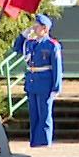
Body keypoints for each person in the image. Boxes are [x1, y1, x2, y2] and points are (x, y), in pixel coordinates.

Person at [13, 13, 63, 148]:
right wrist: (23, 36)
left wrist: (56, 88)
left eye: (37, 27)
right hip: (32, 83)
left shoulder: (52, 45)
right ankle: (35, 141)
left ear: (45, 29)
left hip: (45, 84)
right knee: (34, 114)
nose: (34, 29)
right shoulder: (30, 43)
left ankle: (45, 141)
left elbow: (57, 68)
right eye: (34, 27)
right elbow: (17, 48)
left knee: (45, 115)